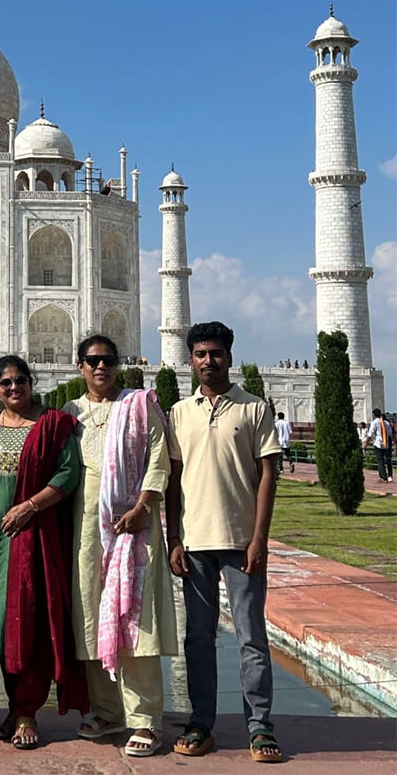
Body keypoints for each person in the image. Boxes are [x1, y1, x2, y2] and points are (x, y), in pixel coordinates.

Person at [166, 321, 283, 763]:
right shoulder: (180, 412)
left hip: (240, 541)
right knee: (198, 637)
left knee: (251, 636)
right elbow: (173, 480)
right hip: (195, 541)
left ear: (229, 357)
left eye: (215, 354)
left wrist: (259, 539)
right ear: (190, 360)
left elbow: (268, 476)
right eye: (200, 354)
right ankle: (201, 722)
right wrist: (173, 535)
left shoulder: (254, 409)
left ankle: (260, 727)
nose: (208, 361)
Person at [66, 336, 176, 759]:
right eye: (92, 361)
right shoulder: (71, 413)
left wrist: (144, 504)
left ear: (118, 365)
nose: (101, 367)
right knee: (91, 617)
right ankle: (107, 710)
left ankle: (145, 718)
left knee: (136, 618)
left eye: (108, 360)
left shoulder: (139, 404)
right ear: (80, 367)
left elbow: (158, 458)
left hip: (135, 526)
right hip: (87, 529)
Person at [0, 355, 86, 750]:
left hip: (35, 535)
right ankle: (13, 707)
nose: (13, 388)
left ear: (31, 382)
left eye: (20, 381)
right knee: (2, 625)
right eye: (5, 383)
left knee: (32, 620)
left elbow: (68, 474)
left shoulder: (52, 424)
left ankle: (28, 711)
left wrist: (29, 507)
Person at [369, 408, 394, 483]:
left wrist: (365, 443)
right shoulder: (386, 422)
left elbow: (370, 434)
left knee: (380, 460)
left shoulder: (374, 422)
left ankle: (383, 477)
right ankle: (389, 476)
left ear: (374, 415)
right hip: (386, 443)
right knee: (388, 459)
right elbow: (390, 434)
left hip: (379, 443)